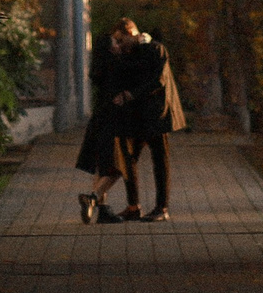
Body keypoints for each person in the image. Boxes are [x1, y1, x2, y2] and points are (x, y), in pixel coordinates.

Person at [111, 17, 186, 222]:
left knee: (159, 159)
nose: (119, 45)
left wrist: (130, 95)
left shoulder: (155, 49)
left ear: (130, 33)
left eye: (120, 40)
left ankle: (162, 208)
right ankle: (134, 206)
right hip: (138, 114)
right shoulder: (130, 53)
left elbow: (157, 80)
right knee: (129, 158)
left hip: (156, 113)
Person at [73, 30, 133, 224]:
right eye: (115, 42)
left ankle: (103, 210)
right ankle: (93, 197)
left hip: (99, 119)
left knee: (101, 165)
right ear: (109, 47)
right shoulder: (116, 64)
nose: (118, 44)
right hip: (113, 120)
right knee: (119, 166)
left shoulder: (99, 66)